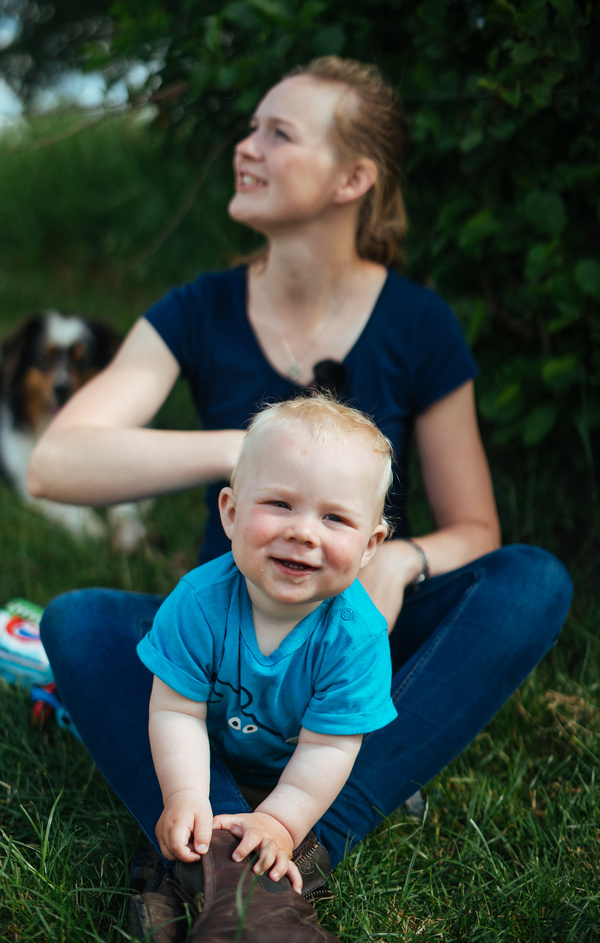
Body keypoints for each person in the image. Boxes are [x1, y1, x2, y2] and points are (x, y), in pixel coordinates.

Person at [28, 56, 573, 942]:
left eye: (277, 133)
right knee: (81, 620)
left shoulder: (417, 322)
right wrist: (253, 451)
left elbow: (478, 524)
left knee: (533, 581)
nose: (247, 148)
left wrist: (398, 558)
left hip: (356, 632)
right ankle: (227, 853)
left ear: (352, 178)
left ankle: (279, 850)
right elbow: (58, 462)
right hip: (220, 642)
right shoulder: (199, 310)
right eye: (250, 128)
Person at [139, 393, 397, 893]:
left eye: (335, 519)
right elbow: (176, 712)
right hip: (217, 752)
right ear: (231, 513)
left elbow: (328, 747)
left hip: (301, 767)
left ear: (369, 547)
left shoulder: (356, 637)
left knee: (342, 759)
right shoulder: (197, 603)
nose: (302, 532)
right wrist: (187, 794)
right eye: (280, 504)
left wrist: (280, 821)